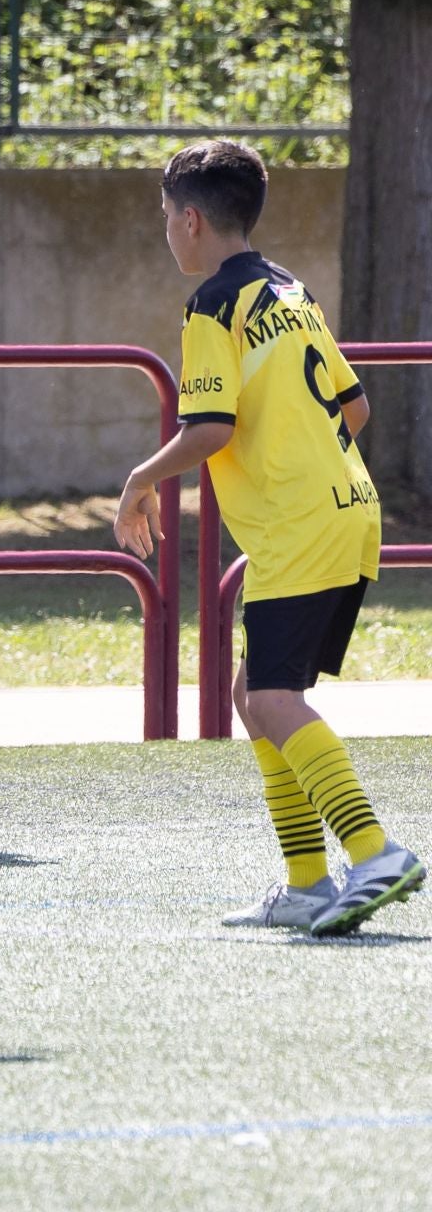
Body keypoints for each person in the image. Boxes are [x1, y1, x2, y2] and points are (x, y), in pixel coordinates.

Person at [115, 139, 422, 936]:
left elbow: (209, 427)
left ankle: (375, 850)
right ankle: (309, 883)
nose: (165, 231)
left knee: (273, 697)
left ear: (188, 220)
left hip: (300, 524)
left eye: (164, 217)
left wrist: (139, 479)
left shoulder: (215, 304)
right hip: (346, 505)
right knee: (255, 696)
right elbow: (354, 410)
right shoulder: (292, 290)